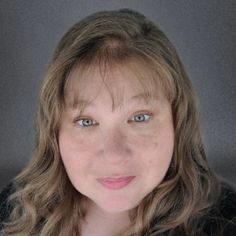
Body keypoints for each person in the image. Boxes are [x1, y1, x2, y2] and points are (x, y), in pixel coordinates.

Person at [0, 8, 235, 236]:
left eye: (139, 118)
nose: (113, 155)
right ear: (54, 131)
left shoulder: (226, 222)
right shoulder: (14, 211)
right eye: (87, 121)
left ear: (178, 121)